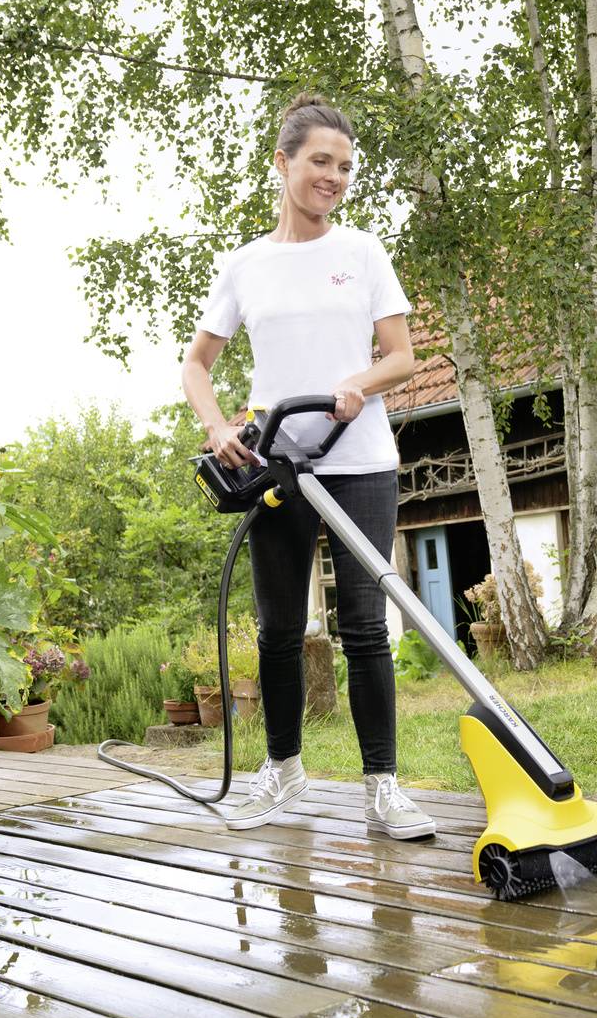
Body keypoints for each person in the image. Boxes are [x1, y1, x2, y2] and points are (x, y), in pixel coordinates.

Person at [180, 92, 435, 839]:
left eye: (346, 167)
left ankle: (383, 788)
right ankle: (283, 771)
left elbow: (402, 356)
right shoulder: (246, 265)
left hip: (359, 463)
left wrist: (358, 382)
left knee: (365, 628)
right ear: (283, 162)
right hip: (277, 467)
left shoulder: (362, 253)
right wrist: (218, 424)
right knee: (278, 629)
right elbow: (197, 365)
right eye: (321, 161)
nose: (335, 177)